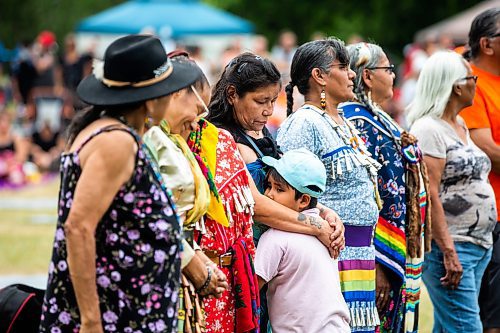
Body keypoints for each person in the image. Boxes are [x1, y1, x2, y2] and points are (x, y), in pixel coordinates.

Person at [39, 34, 204, 333]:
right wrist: (91, 322)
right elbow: (78, 227)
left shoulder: (120, 134)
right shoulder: (115, 141)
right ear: (151, 96)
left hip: (129, 313)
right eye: (168, 90)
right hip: (115, 316)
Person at [207, 52, 345, 332]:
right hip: (249, 264)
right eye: (261, 101)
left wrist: (327, 213)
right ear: (233, 94)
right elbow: (255, 205)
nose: (269, 110)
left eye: (273, 100)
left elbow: (293, 187)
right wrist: (316, 225)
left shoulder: (262, 134)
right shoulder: (221, 139)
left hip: (277, 264)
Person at [279, 37, 381, 332]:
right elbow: (286, 193)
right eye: (344, 67)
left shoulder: (342, 122)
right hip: (329, 254)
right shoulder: (304, 124)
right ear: (319, 76)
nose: (353, 74)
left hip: (359, 252)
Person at [342, 42, 431, 333]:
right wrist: (379, 264)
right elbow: (364, 194)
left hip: (390, 247)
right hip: (375, 254)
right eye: (388, 69)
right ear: (367, 76)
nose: (393, 76)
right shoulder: (358, 123)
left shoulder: (375, 118)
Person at [408, 50, 496, 333]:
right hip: (451, 247)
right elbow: (429, 193)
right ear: (457, 85)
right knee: (466, 327)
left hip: (476, 244)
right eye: (473, 78)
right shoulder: (428, 128)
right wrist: (447, 250)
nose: (476, 84)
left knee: (450, 326)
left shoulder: (458, 125)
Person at [143, 51, 229, 332]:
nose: (198, 121)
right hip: (154, 269)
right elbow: (151, 218)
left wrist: (198, 260)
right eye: (199, 107)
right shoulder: (148, 138)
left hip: (177, 267)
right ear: (179, 92)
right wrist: (190, 260)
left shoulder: (174, 141)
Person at [255, 148, 350, 333]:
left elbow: (251, 289)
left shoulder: (275, 238)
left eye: (279, 189)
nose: (269, 194)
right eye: (268, 186)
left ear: (304, 200)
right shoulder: (329, 232)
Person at [459, 9, 500, 332]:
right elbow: (487, 150)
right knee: (491, 316)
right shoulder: (469, 83)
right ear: (486, 44)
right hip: (490, 218)